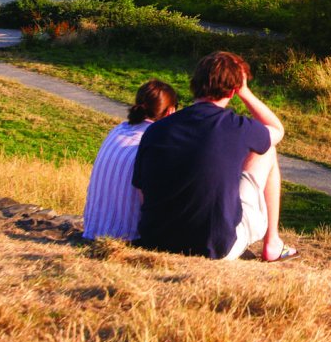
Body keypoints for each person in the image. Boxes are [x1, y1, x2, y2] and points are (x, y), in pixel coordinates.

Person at [132, 50, 297, 262]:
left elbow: (142, 190)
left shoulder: (156, 129)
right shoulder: (237, 127)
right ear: (232, 91)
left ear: (194, 83)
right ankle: (272, 243)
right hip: (213, 246)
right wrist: (245, 92)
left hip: (155, 240)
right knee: (268, 149)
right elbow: (276, 130)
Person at [83, 79, 179, 241]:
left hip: (93, 229)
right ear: (170, 111)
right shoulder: (157, 141)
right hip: (128, 235)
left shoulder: (119, 129)